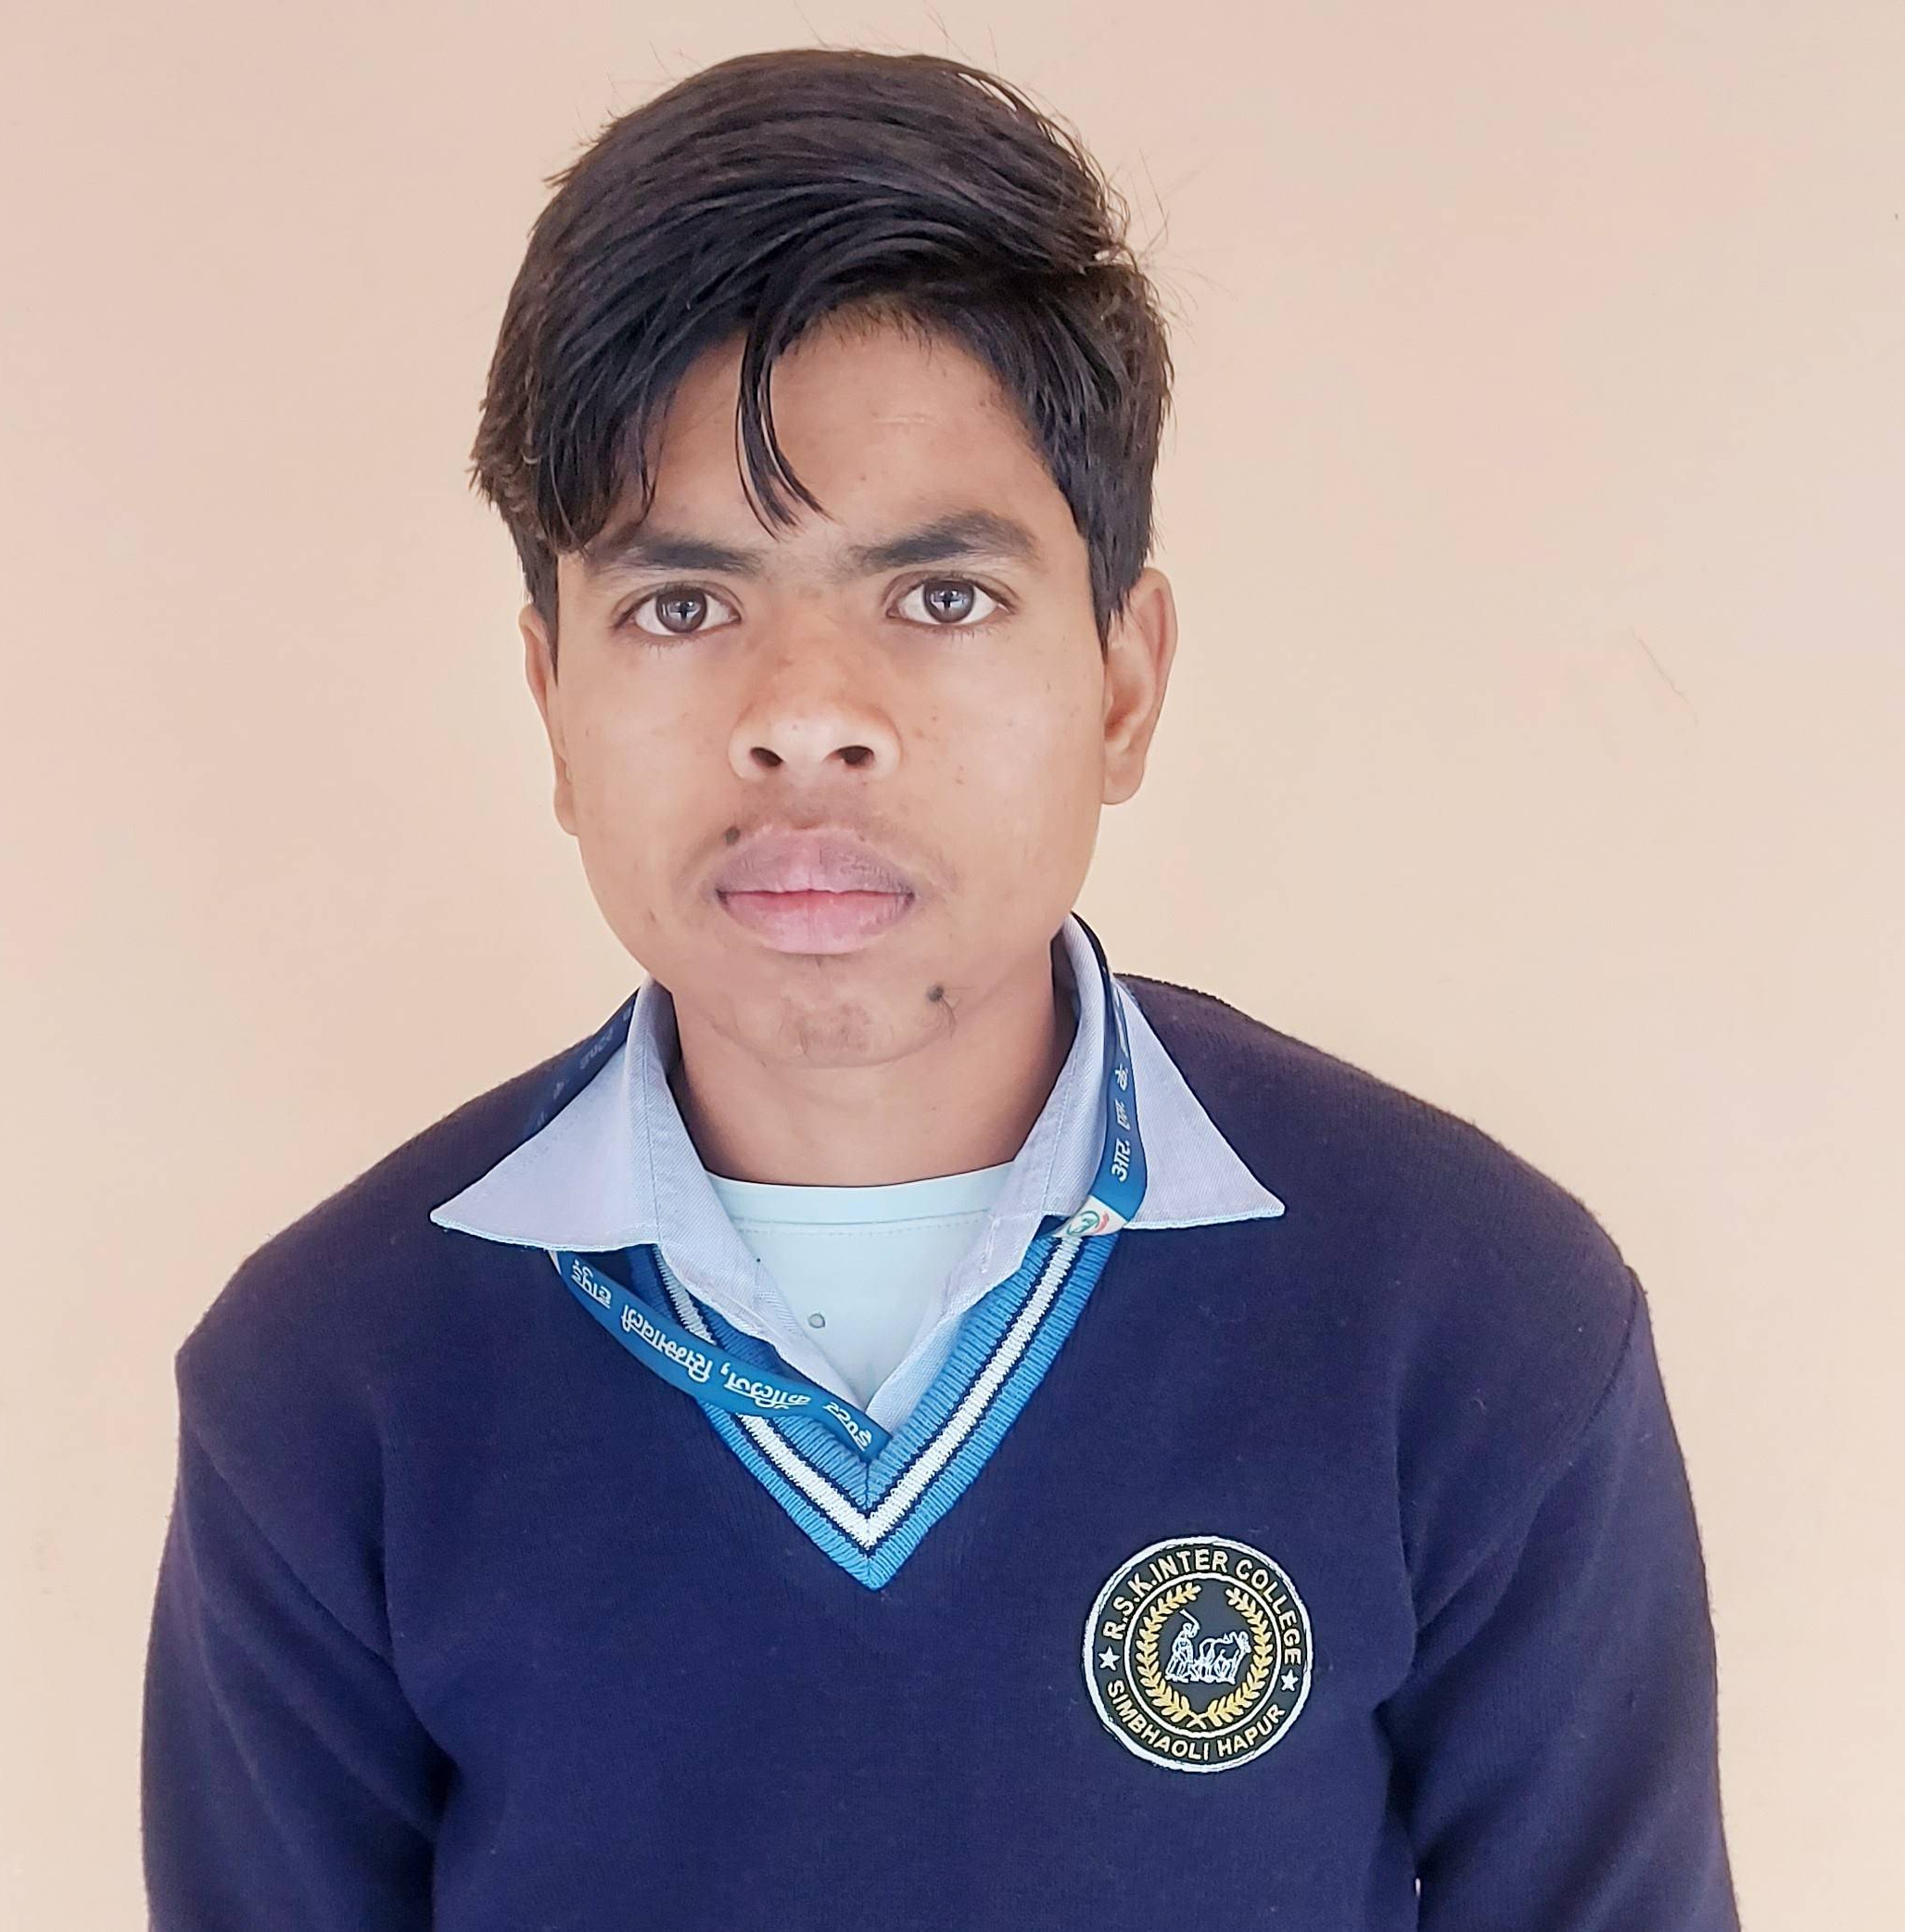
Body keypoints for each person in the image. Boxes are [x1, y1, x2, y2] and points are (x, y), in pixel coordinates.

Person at [139, 45, 1741, 1932]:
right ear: (551, 702)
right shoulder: (329, 1382)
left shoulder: (1469, 1318)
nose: (808, 717)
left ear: (1124, 681)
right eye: (681, 605)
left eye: (941, 596)